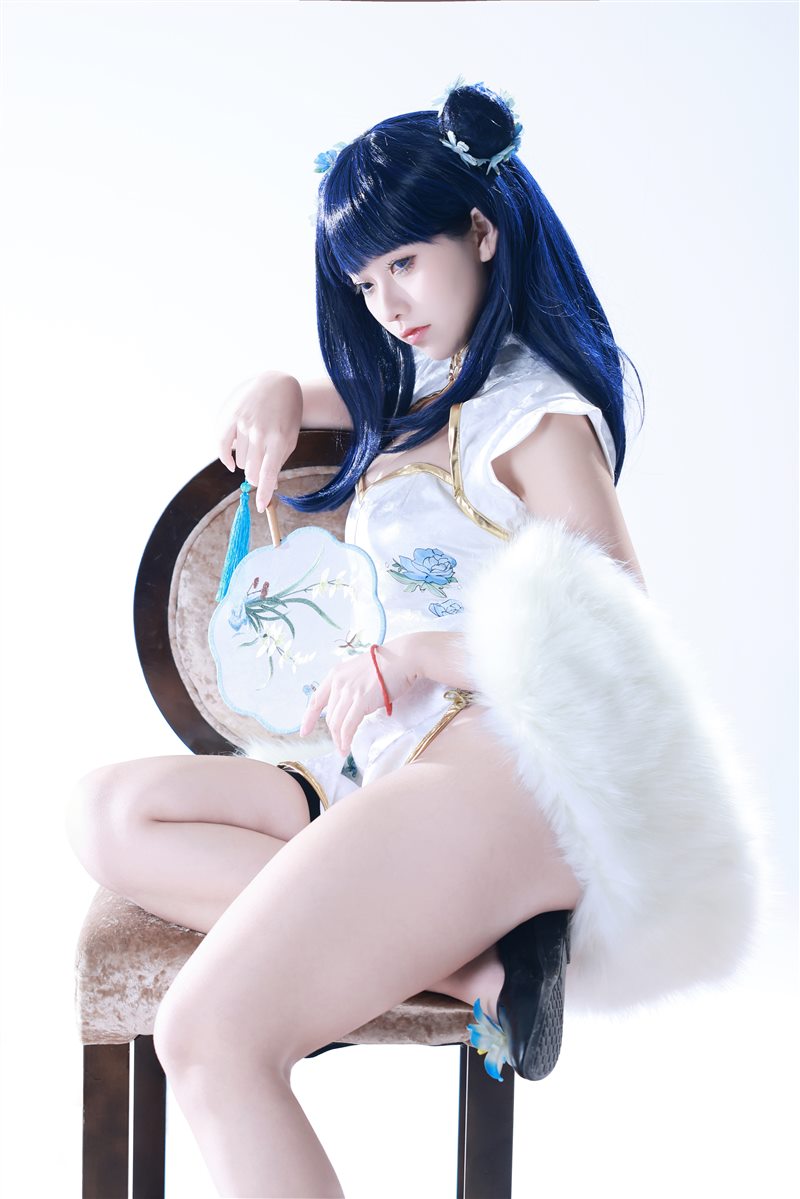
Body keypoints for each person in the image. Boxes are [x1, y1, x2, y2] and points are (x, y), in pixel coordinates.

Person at [66, 79, 762, 1199]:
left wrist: (416, 655)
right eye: (362, 280)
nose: (386, 303)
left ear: (480, 233)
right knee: (109, 811)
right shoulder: (424, 394)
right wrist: (272, 385)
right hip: (383, 769)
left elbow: (617, 646)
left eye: (403, 262)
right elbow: (324, 397)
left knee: (209, 1035)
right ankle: (482, 970)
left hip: (495, 773)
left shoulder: (535, 415)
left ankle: (459, 947)